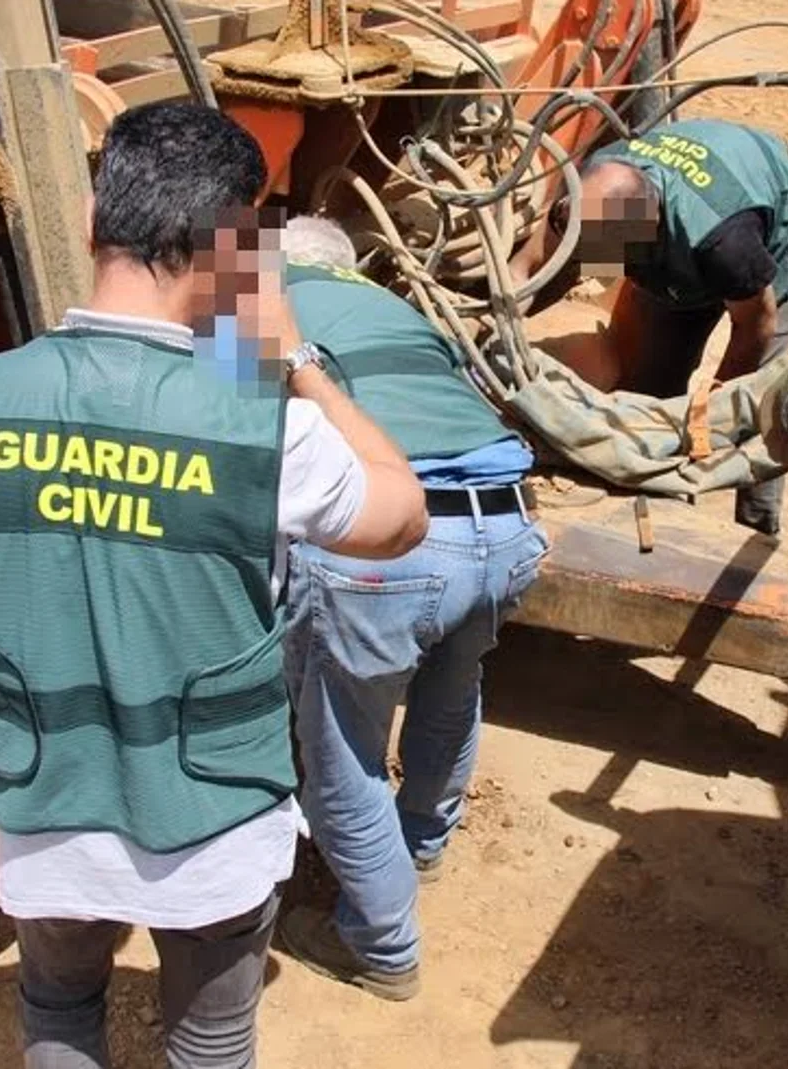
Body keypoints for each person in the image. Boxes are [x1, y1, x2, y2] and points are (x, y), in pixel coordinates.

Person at [0, 102, 428, 1068]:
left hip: (42, 805)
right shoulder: (268, 433)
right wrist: (292, 359)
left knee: (57, 1003)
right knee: (211, 1040)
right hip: (215, 823)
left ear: (90, 219)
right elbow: (402, 511)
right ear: (234, 253)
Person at [271, 216, 549, 1002]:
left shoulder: (255, 295)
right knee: (450, 689)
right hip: (506, 528)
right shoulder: (402, 310)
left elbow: (220, 422)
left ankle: (381, 944)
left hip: (395, 544)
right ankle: (422, 842)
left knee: (338, 757)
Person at [509, 118, 788, 536]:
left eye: (601, 254)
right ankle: (651, 513)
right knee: (648, 394)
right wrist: (490, 330)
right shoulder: (592, 188)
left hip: (765, 244)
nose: (590, 265)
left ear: (641, 236)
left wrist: (710, 416)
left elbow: (755, 328)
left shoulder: (725, 244)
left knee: (760, 413)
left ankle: (757, 529)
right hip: (674, 243)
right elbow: (530, 270)